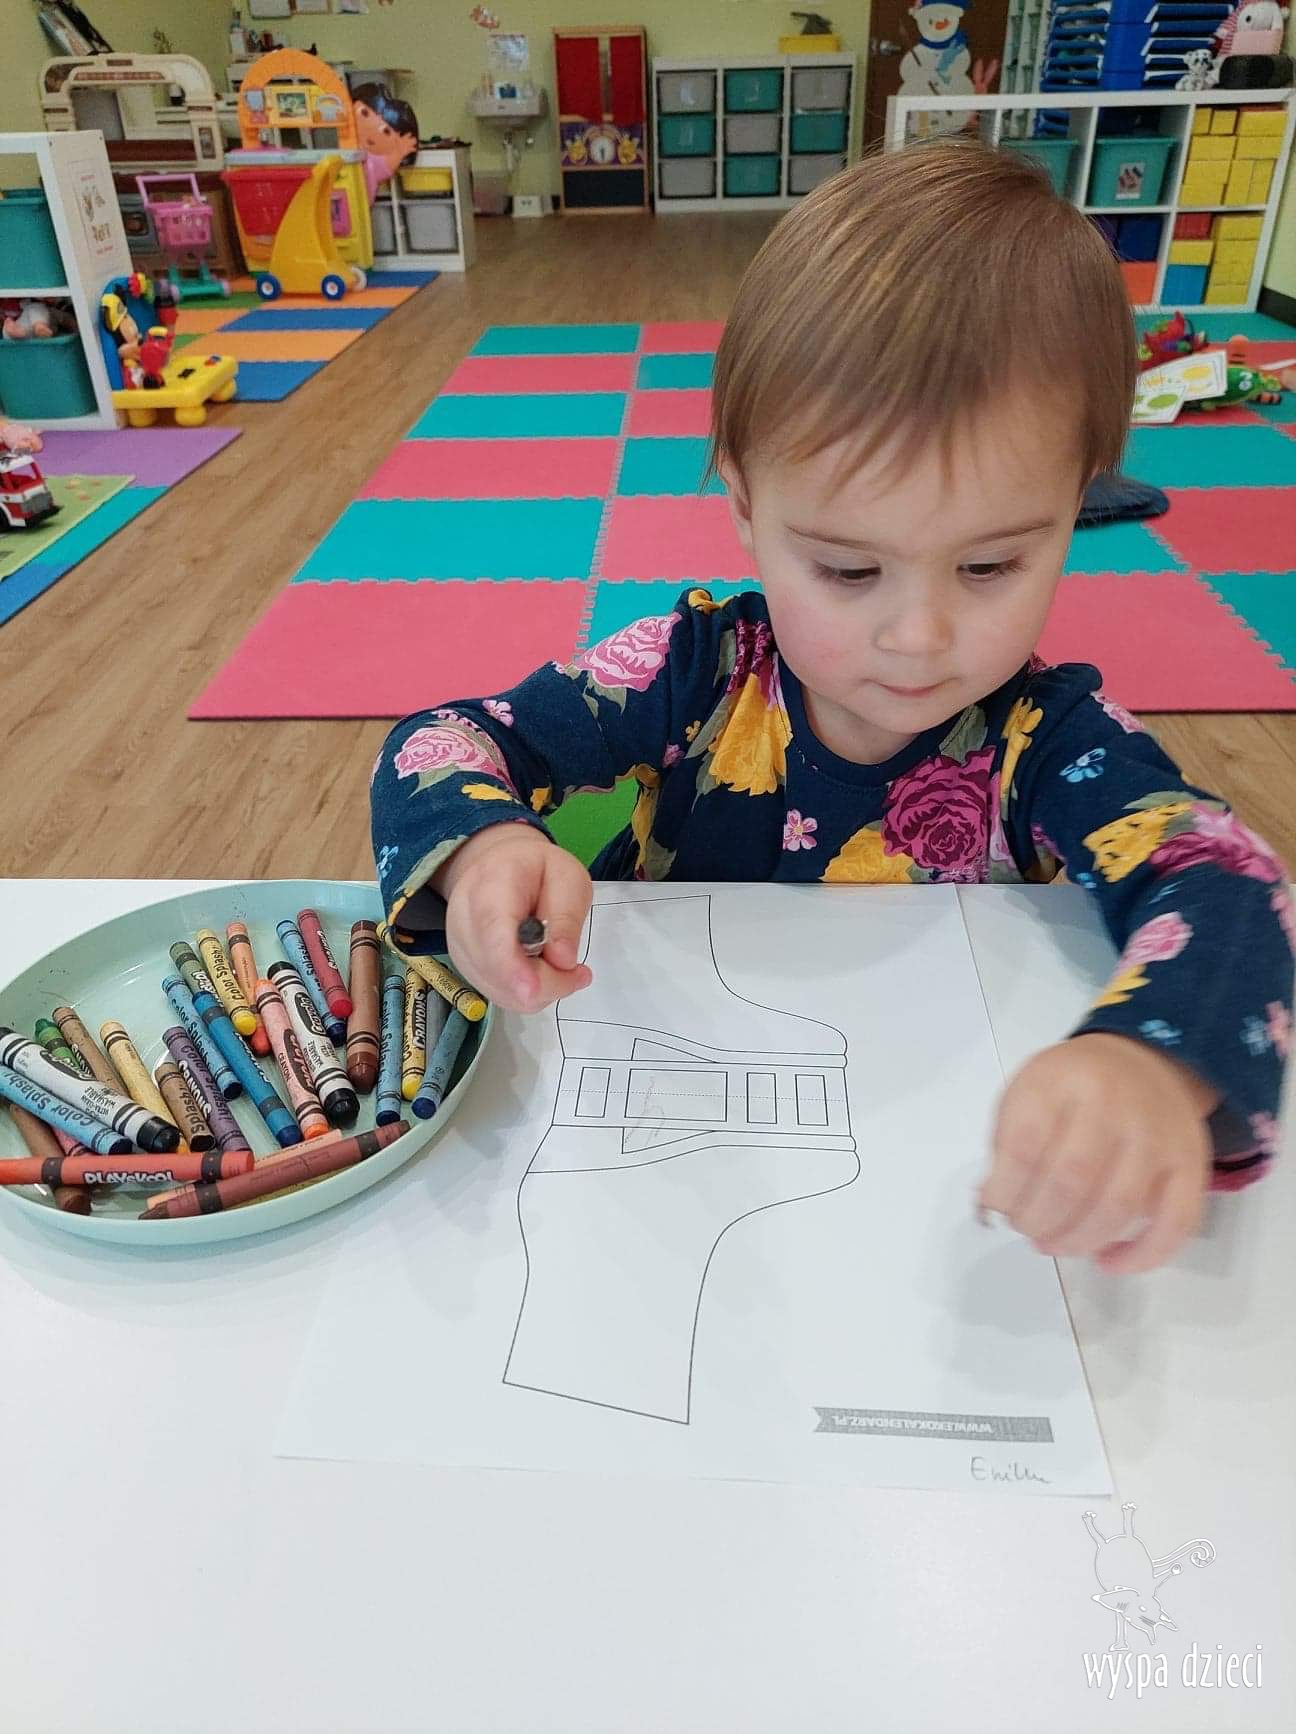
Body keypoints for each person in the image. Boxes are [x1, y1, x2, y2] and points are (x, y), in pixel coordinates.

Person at [369, 140, 1293, 1275]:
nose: (920, 636)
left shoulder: (1051, 744)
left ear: (1076, 506)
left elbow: (1230, 883)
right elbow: (445, 741)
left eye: (992, 566)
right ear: (746, 508)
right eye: (850, 571)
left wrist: (1153, 1063)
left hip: (929, 1201)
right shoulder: (691, 671)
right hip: (658, 1155)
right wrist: (483, 851)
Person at [352, 82, 419, 205]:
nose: (372, 130)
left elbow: (385, 165)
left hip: (358, 208)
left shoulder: (371, 162)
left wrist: (399, 152)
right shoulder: (342, 143)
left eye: (386, 131)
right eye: (364, 113)